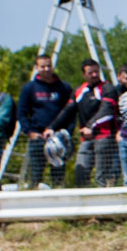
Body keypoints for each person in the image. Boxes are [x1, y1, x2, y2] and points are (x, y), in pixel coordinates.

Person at [47, 58, 117, 186]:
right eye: (90, 72)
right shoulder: (79, 91)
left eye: (96, 71)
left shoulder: (107, 88)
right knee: (80, 174)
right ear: (84, 75)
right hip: (85, 138)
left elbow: (107, 110)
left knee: (101, 176)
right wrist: (52, 127)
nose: (94, 75)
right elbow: (68, 111)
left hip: (104, 137)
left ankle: (104, 196)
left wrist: (90, 126)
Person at [18, 54, 72, 188]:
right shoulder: (29, 88)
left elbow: (71, 112)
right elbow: (21, 112)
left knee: (58, 176)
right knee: (35, 175)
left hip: (58, 138)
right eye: (43, 66)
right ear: (36, 68)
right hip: (38, 137)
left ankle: (59, 197)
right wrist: (29, 132)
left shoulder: (64, 87)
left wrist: (67, 133)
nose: (46, 69)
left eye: (49, 66)